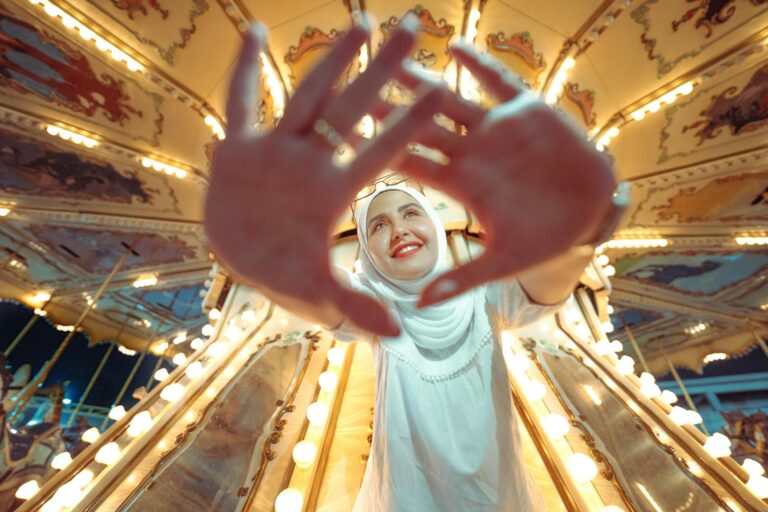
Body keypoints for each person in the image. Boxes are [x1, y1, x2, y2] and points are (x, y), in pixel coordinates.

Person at [204, 13, 623, 511]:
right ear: (367, 254)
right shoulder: (373, 305)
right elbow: (321, 300)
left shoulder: (486, 294)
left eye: (409, 214)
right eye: (378, 226)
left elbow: (548, 286)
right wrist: (262, 258)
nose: (399, 229)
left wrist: (575, 236)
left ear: (434, 227)